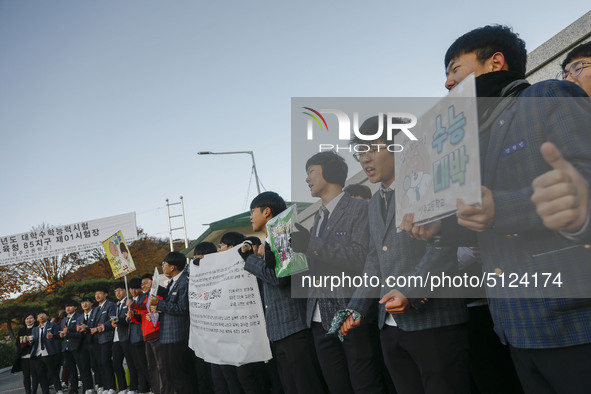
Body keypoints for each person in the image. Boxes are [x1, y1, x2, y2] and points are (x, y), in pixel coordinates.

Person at [403, 25, 591, 393]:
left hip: (573, 322)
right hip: (514, 327)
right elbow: (485, 221)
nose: (446, 84)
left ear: (496, 62)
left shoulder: (549, 94)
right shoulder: (468, 142)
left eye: (454, 69)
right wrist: (440, 230)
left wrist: (502, 207)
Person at [339, 115, 470, 394]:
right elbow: (374, 259)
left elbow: (444, 246)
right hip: (390, 325)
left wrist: (410, 290)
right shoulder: (374, 203)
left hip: (434, 321)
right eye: (360, 152)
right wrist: (357, 306)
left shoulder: (431, 183)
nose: (364, 159)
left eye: (373, 148)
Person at [300, 151, 386, 393]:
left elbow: (362, 257)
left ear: (329, 171)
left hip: (349, 312)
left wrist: (312, 245)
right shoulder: (317, 217)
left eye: (310, 172)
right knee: (337, 386)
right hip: (318, 317)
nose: (307, 179)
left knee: (365, 385)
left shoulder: (359, 208)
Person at [240, 191, 326, 394]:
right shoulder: (269, 242)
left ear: (267, 211)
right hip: (279, 332)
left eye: (253, 211)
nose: (250, 217)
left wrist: (249, 260)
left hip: (295, 329)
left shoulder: (286, 234)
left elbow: (278, 278)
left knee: (306, 386)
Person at [150, 251, 195, 394]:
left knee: (180, 375)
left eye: (165, 264)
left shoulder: (184, 283)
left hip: (178, 336)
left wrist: (159, 304)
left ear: (172, 267)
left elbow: (182, 308)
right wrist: (156, 288)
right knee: (170, 373)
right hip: (168, 336)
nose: (163, 266)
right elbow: (170, 298)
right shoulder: (173, 282)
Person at [128, 273, 164, 394]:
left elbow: (147, 307)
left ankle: (163, 390)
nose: (143, 286)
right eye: (142, 284)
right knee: (151, 367)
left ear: (153, 281)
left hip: (156, 333)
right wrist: (133, 316)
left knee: (160, 366)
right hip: (146, 335)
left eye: (146, 283)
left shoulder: (157, 293)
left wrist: (133, 305)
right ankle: (155, 390)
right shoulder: (144, 296)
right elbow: (141, 318)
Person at [86, 287, 117, 394]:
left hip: (106, 338)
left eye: (100, 293)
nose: (97, 296)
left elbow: (112, 320)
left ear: (106, 294)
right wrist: (85, 328)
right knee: (99, 363)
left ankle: (112, 387)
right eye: (96, 294)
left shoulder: (110, 305)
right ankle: (105, 387)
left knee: (106, 362)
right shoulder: (95, 309)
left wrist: (101, 327)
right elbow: (90, 325)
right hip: (95, 340)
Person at [111, 282, 138, 394]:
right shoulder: (117, 304)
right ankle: (122, 388)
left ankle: (133, 388)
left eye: (120, 290)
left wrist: (117, 320)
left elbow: (127, 318)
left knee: (131, 364)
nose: (118, 292)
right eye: (116, 291)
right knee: (116, 364)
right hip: (117, 338)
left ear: (126, 290)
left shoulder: (129, 302)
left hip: (126, 337)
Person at [126, 277, 151, 394]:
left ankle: (151, 386)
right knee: (138, 365)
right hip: (131, 336)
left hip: (141, 335)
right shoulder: (130, 300)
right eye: (131, 289)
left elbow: (143, 312)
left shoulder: (143, 298)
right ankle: (144, 388)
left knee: (143, 364)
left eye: (136, 288)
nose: (133, 291)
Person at [30, 310, 64, 394]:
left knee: (52, 372)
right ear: (37, 319)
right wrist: (29, 340)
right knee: (41, 374)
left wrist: (52, 336)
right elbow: (33, 341)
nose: (41, 316)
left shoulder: (53, 325)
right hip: (37, 354)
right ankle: (45, 391)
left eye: (43, 314)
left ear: (47, 316)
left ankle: (58, 389)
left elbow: (58, 336)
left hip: (49, 352)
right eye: (39, 315)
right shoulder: (34, 330)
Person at [77, 297, 100, 394]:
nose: (84, 304)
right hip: (83, 344)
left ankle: (99, 384)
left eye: (86, 302)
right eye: (83, 303)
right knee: (85, 366)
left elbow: (97, 327)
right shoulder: (79, 318)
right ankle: (89, 387)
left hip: (94, 342)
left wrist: (87, 328)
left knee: (96, 365)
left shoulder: (96, 313)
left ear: (91, 303)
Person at [11, 313, 39, 394]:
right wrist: (23, 343)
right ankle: (28, 392)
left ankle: (34, 391)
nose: (28, 320)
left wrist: (31, 342)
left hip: (34, 355)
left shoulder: (36, 328)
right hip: (24, 355)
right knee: (26, 375)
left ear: (34, 319)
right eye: (27, 319)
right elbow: (17, 343)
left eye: (30, 318)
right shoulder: (22, 330)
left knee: (34, 374)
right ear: (24, 320)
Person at [60, 301, 82, 394]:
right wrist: (61, 335)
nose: (67, 308)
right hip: (66, 347)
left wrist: (67, 333)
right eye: (66, 307)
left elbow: (79, 333)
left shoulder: (79, 317)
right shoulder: (63, 320)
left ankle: (88, 387)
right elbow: (62, 333)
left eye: (70, 306)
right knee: (71, 369)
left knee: (82, 368)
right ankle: (74, 388)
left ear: (75, 307)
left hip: (77, 346)